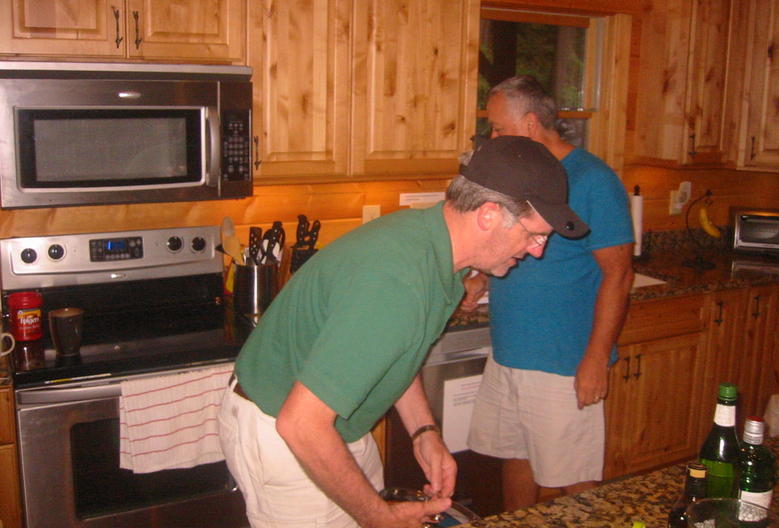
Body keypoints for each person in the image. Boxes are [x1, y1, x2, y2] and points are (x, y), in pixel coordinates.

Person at [217, 135, 588, 528]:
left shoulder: (441, 253)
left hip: (332, 423)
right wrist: (380, 517)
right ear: (488, 215)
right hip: (287, 430)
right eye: (534, 234)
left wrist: (424, 431)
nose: (538, 250)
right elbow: (300, 425)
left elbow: (396, 352)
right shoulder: (397, 283)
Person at [464, 76, 634, 510]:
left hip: (563, 361)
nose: (493, 138)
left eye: (499, 128)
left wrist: (596, 358)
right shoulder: (518, 175)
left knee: (573, 478)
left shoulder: (592, 180)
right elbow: (507, 245)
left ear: (530, 124)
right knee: (515, 457)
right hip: (509, 352)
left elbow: (618, 274)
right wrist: (481, 278)